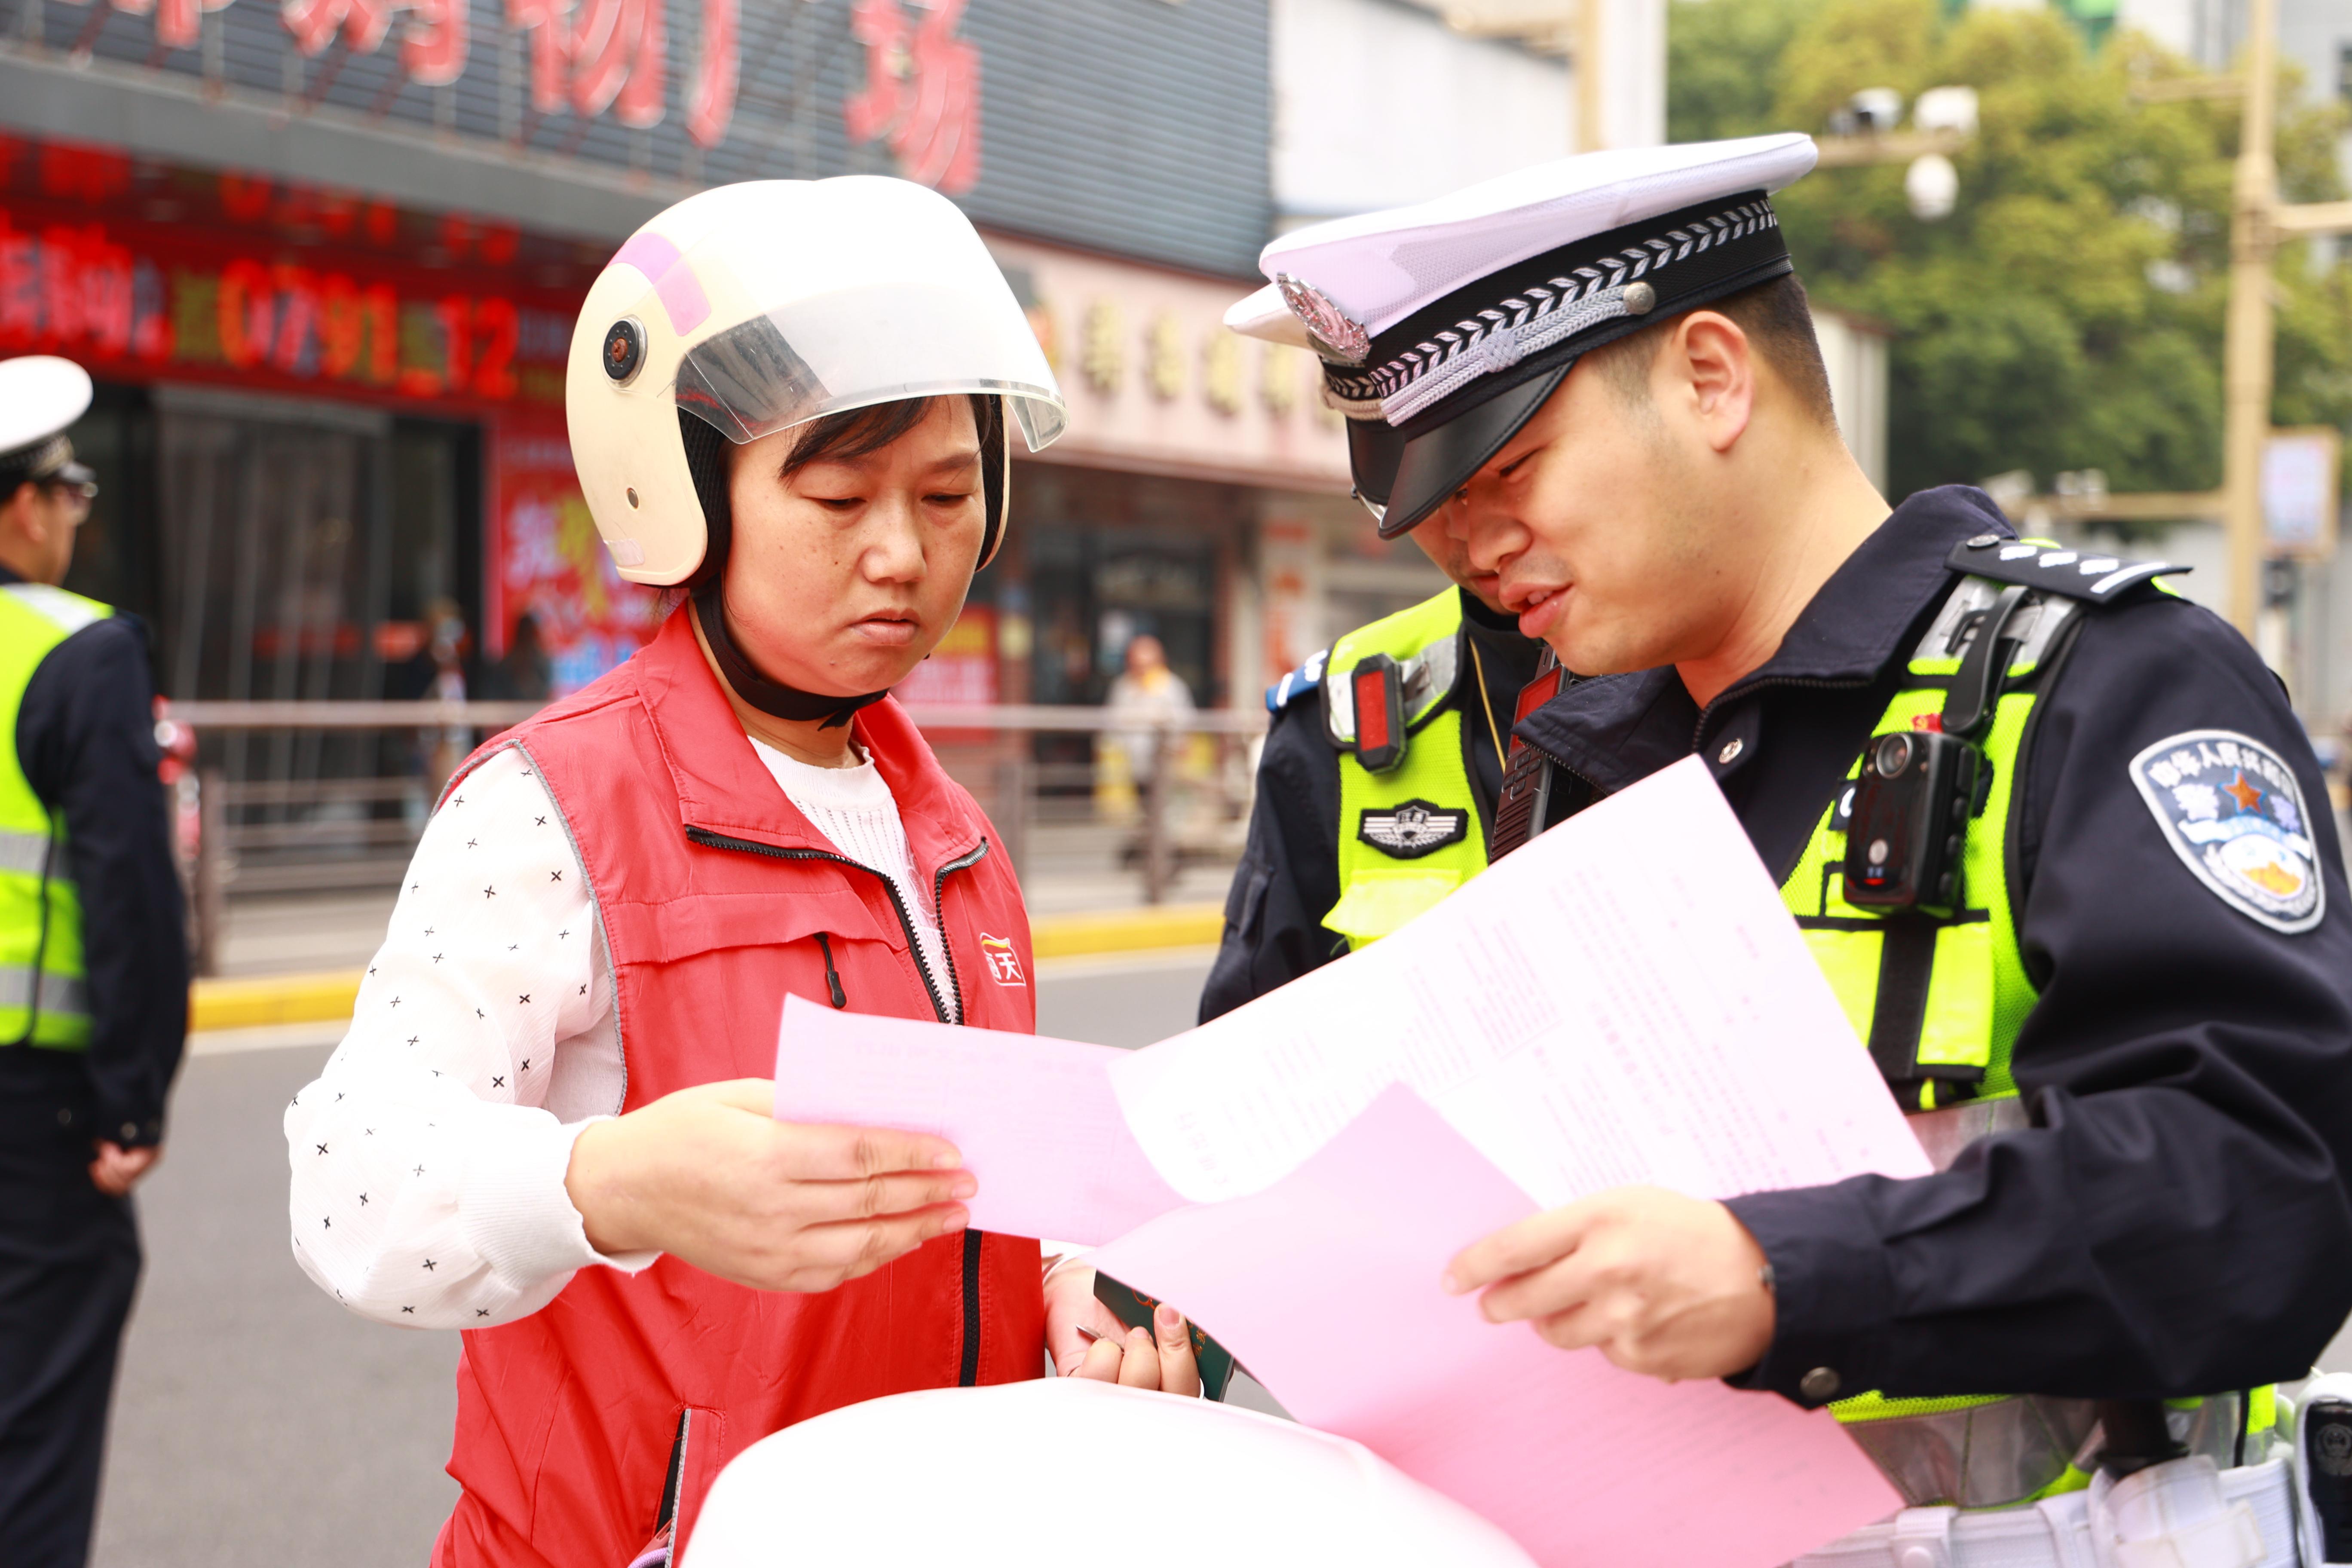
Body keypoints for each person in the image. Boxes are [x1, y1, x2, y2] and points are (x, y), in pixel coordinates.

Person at [1228, 136, 2352, 1555]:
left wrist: (1785, 1273)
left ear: (1712, 376)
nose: (1467, 548)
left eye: (1507, 468)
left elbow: (2271, 1194)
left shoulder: (2110, 688)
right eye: (1432, 510)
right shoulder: (1573, 762)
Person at [285, 179, 1196, 1568]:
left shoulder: (952, 832)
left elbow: (970, 1193)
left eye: (949, 495)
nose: (902, 552)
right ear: (685, 494)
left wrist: (1062, 1291)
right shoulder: (553, 807)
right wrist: (611, 1180)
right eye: (838, 495)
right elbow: (349, 1188)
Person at [0, 355, 187, 1568]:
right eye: (71, 492)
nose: (75, 517)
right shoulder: (79, 650)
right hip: (33, 1112)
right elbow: (129, 894)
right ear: (24, 507)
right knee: (31, 1436)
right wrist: (132, 1099)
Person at [1197, 505, 1542, 1019]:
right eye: (1410, 493)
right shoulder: (1333, 714)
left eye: (1512, 470)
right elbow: (1245, 1041)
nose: (1469, 533)